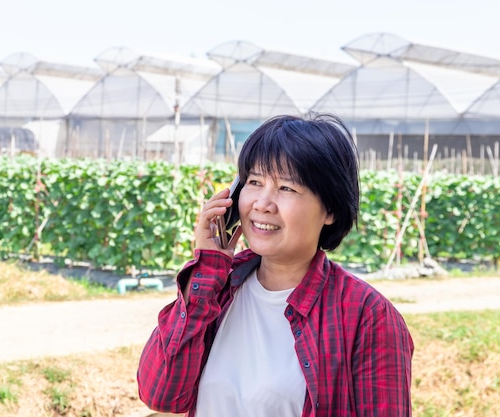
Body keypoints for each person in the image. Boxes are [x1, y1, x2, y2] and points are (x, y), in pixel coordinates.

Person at [137, 113, 414, 416]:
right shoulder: (221, 290)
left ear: (331, 210)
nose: (262, 204)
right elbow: (161, 395)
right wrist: (206, 269)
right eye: (254, 182)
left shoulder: (368, 316)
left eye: (287, 188)